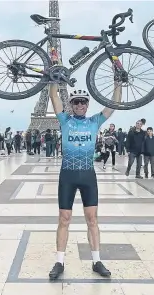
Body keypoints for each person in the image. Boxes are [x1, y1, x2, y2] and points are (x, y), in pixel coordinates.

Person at [47, 76, 122, 280]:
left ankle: (97, 261)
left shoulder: (94, 121)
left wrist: (118, 84)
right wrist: (52, 79)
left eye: (83, 102)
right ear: (71, 105)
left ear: (87, 105)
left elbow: (113, 106)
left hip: (88, 175)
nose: (80, 105)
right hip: (68, 174)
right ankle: (59, 261)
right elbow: (53, 96)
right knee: (64, 219)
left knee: (92, 219)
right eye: (76, 102)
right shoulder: (65, 120)